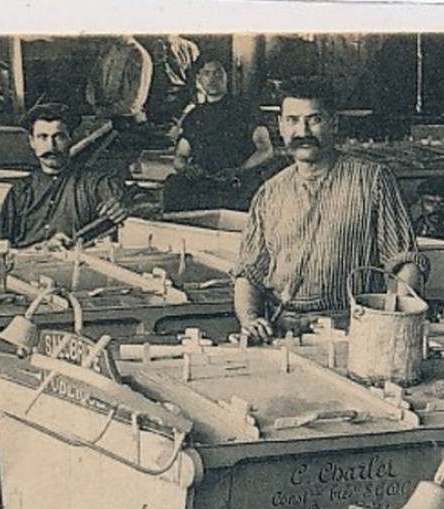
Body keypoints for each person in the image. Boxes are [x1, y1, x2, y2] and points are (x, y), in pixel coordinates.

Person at [234, 78, 422, 343]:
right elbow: (248, 274)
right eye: (293, 120)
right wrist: (250, 320)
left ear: (334, 123)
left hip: (352, 332)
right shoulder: (270, 192)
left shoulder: (373, 180)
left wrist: (387, 323)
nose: (303, 131)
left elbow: (405, 263)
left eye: (314, 119)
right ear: (280, 126)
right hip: (282, 331)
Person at [0, 103, 131, 249]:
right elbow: (1, 246)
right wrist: (37, 249)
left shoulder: (93, 183)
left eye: (58, 137)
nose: (51, 147)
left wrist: (123, 204)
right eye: (42, 137)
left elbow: (140, 199)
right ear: (32, 142)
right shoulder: (20, 190)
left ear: (71, 138)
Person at [161, 57, 276, 213]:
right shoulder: (194, 115)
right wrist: (188, 168)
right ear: (199, 79)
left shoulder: (245, 109)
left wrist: (238, 170)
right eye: (207, 74)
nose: (212, 79)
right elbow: (180, 158)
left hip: (237, 182)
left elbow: (266, 150)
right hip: (205, 182)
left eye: (217, 73)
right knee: (173, 188)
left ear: (227, 77)